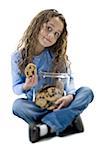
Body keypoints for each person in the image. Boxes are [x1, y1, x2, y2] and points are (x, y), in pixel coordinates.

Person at [11, 9, 94, 143]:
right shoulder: (18, 57)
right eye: (48, 28)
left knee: (87, 92)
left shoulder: (56, 56)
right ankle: (67, 120)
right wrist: (26, 85)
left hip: (60, 103)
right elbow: (16, 88)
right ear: (37, 25)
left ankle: (46, 127)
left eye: (56, 34)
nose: (51, 36)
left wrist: (70, 96)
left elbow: (69, 78)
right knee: (17, 106)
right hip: (37, 105)